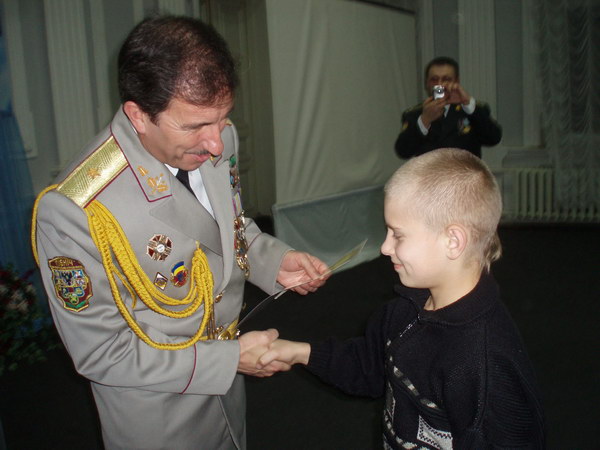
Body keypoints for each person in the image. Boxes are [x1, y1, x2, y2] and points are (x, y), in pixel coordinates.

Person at [31, 15, 329, 450]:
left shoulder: (218, 138)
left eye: (222, 119)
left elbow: (225, 226)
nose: (216, 143)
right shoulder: (76, 209)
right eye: (194, 126)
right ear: (138, 115)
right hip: (159, 416)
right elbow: (101, 352)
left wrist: (272, 260)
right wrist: (228, 360)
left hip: (229, 392)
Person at [260, 148, 545, 449]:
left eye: (398, 235)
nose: (385, 248)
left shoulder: (484, 366)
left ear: (453, 241)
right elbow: (369, 367)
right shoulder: (403, 311)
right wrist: (297, 352)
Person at [395, 56, 502, 159]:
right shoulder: (415, 114)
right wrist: (424, 120)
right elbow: (403, 151)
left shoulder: (471, 109)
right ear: (426, 83)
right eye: (434, 79)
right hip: (430, 172)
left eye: (446, 79)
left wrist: (467, 103)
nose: (440, 84)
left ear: (456, 81)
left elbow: (493, 139)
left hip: (464, 171)